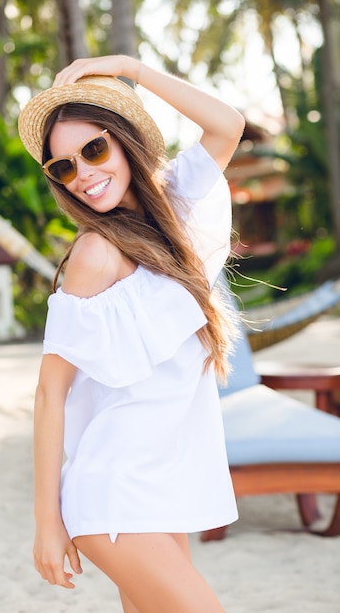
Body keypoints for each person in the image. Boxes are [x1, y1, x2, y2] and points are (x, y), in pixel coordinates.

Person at [18, 54, 245, 613]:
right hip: (112, 493)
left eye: (94, 149)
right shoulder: (95, 255)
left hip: (161, 490)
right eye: (63, 167)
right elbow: (51, 393)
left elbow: (227, 124)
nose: (85, 174)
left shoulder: (178, 211)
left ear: (123, 141)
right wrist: (48, 522)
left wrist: (130, 68)